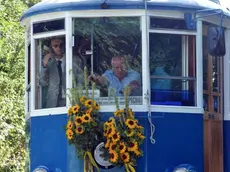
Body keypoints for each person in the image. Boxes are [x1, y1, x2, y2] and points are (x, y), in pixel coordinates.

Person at [40, 37, 83, 108]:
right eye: (55, 46)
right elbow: (42, 82)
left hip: (72, 101)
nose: (59, 48)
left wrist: (77, 97)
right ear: (51, 48)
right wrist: (45, 66)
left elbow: (81, 81)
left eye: (61, 45)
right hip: (53, 103)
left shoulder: (75, 60)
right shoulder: (49, 63)